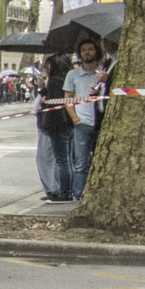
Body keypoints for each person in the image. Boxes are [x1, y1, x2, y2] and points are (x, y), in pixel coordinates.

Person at [65, 38, 103, 202]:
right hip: (83, 123)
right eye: (83, 50)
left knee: (100, 160)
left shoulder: (102, 72)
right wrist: (75, 119)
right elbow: (68, 99)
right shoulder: (73, 75)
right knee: (81, 162)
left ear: (96, 51)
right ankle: (79, 194)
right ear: (80, 55)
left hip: (101, 123)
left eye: (90, 49)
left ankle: (98, 194)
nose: (87, 53)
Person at [36, 53, 76, 203]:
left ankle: (64, 192)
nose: (46, 69)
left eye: (48, 66)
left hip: (57, 125)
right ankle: (69, 190)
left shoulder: (54, 81)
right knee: (69, 160)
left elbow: (51, 104)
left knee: (62, 161)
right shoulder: (67, 79)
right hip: (68, 124)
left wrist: (44, 93)